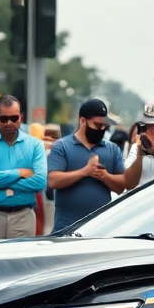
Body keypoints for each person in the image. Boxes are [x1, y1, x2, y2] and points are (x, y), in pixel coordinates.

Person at [0, 95, 47, 240]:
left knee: (21, 262)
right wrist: (18, 173)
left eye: (14, 118)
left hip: (23, 217)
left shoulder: (35, 145)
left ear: (21, 117)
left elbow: (40, 182)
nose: (8, 123)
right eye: (3, 118)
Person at [47, 99, 127, 231]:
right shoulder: (62, 147)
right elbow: (53, 180)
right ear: (83, 121)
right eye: (97, 125)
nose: (101, 130)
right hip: (67, 227)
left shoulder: (112, 149)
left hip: (101, 228)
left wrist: (104, 176)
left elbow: (121, 185)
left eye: (104, 126)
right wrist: (85, 171)